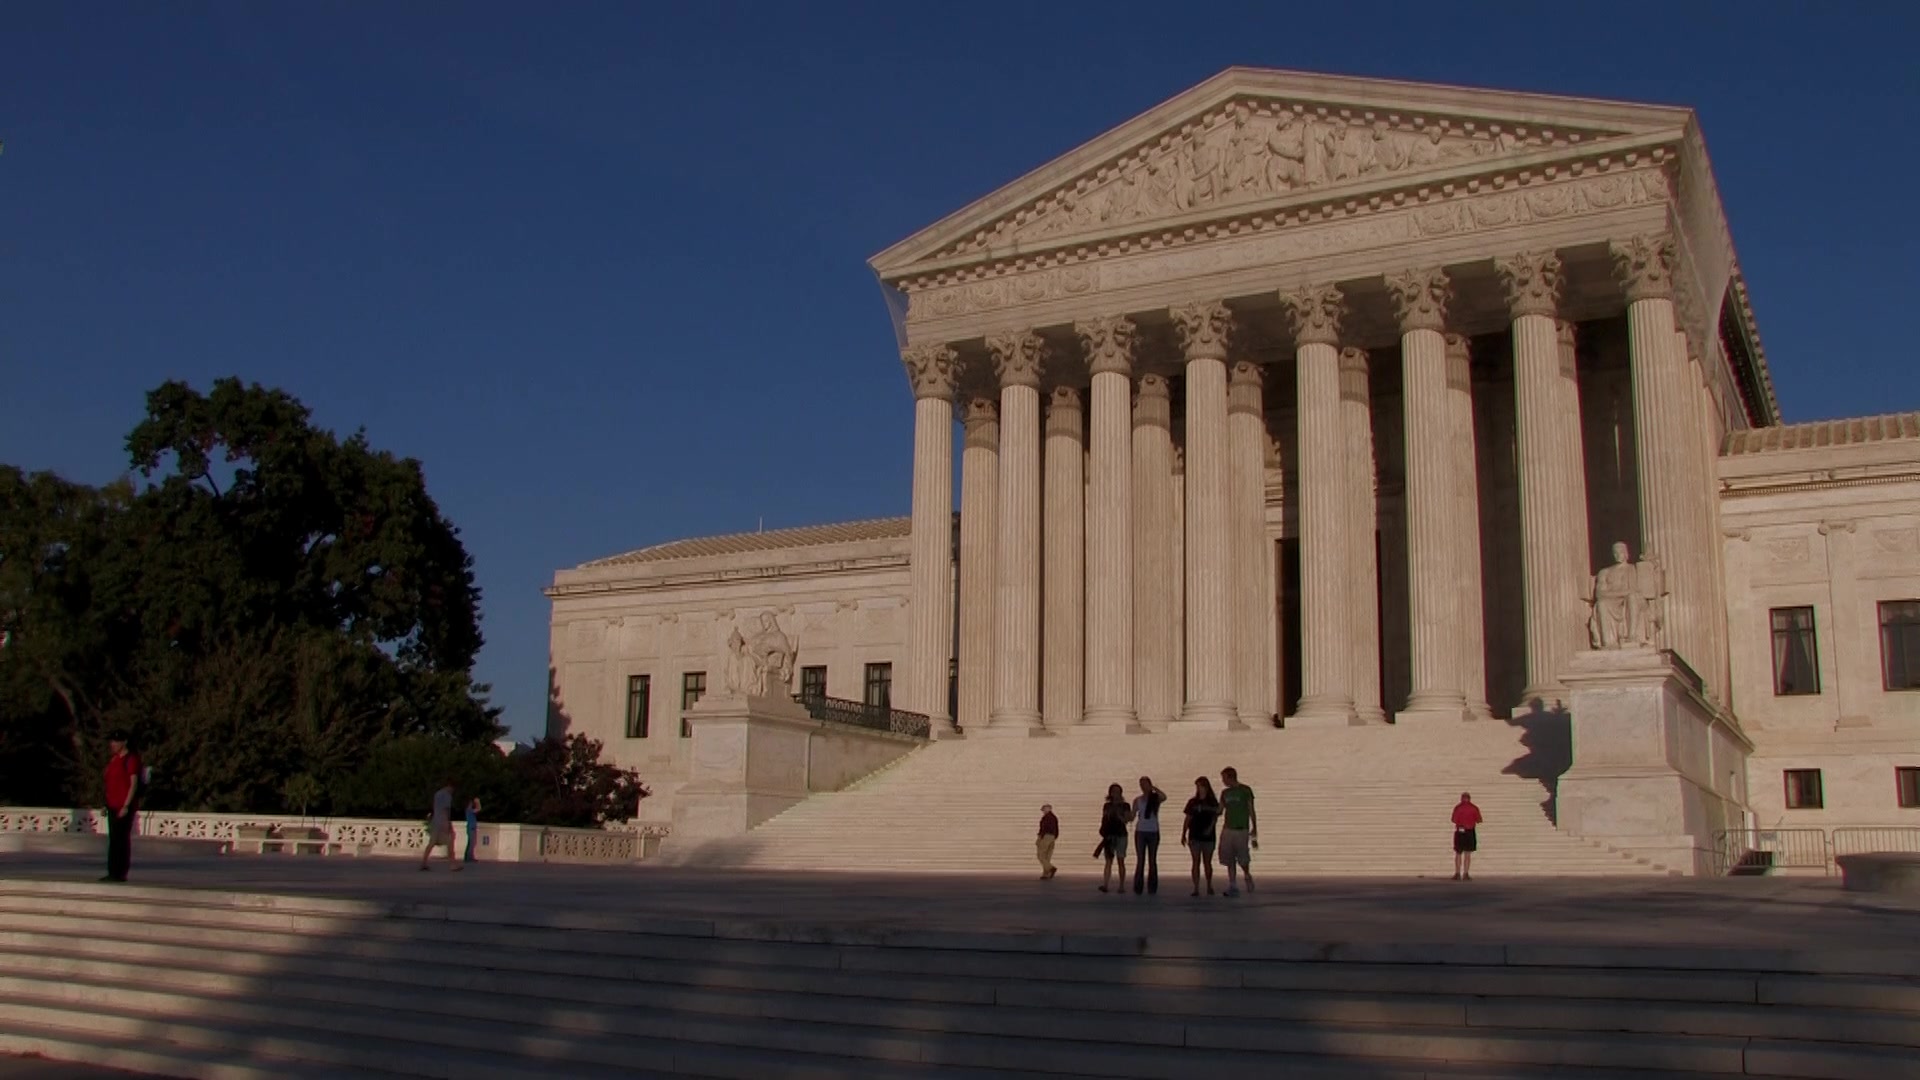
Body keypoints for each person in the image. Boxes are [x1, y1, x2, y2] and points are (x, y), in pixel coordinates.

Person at [100, 732, 142, 883]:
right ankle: (112, 871)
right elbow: (109, 784)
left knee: (121, 839)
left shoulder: (131, 759)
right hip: (112, 804)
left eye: (116, 741)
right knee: (114, 839)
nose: (112, 744)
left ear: (124, 742)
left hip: (123, 806)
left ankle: (120, 872)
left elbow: (133, 784)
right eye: (111, 741)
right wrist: (105, 804)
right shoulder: (114, 760)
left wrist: (126, 805)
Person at [1218, 766, 1258, 897]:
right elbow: (1220, 810)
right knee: (1229, 857)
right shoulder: (1225, 793)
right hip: (1228, 828)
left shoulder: (1245, 790)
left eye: (1224, 778)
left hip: (1241, 829)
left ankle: (1247, 874)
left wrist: (1254, 827)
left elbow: (1251, 809)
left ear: (1230, 777)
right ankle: (1232, 884)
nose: (1223, 781)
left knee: (1243, 857)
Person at [1181, 776, 1221, 897]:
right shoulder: (1192, 802)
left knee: (1207, 862)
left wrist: (1210, 828)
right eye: (1198, 786)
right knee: (1195, 861)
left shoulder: (1212, 802)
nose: (1199, 789)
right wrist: (1183, 833)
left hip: (1208, 835)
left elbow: (1215, 817)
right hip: (1194, 834)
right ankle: (1196, 887)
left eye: (1201, 786)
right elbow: (1188, 818)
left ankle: (1209, 885)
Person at [1094, 784, 1132, 894]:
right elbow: (1104, 819)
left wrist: (1120, 816)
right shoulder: (1107, 806)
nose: (1116, 793)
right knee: (1108, 861)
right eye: (1114, 791)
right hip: (1109, 835)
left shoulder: (1125, 805)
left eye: (1118, 791)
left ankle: (1121, 886)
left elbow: (1128, 819)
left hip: (1121, 835)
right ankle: (1105, 884)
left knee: (1121, 860)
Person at [1131, 776, 1167, 895]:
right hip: (1141, 831)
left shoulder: (1155, 799)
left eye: (1145, 784)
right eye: (1141, 784)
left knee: (1152, 860)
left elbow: (1164, 797)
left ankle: (1152, 887)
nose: (1143, 787)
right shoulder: (1138, 800)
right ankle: (1138, 886)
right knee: (1140, 859)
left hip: (1153, 831)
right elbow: (1132, 815)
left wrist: (1153, 788)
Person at [419, 779, 461, 872]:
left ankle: (424, 863)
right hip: (443, 822)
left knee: (431, 843)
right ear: (450, 787)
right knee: (450, 842)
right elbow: (446, 810)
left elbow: (435, 808)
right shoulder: (447, 795)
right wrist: (449, 824)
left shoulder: (437, 794)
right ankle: (452, 864)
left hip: (435, 821)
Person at [1452, 792, 1483, 881]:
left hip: (1460, 831)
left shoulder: (1458, 808)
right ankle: (1466, 874)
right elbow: (1479, 820)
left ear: (1462, 798)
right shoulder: (1474, 808)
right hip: (1470, 831)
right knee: (1467, 853)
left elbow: (1454, 819)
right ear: (1469, 798)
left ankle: (1457, 873)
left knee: (1458, 853)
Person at [1036, 804, 1059, 880]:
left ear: (1048, 809)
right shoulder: (1054, 817)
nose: (1043, 811)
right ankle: (1046, 874)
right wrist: (1055, 837)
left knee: (1040, 855)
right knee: (1047, 856)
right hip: (1052, 837)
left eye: (1044, 809)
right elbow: (1056, 829)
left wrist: (1040, 837)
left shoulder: (1047, 818)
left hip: (1046, 836)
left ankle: (1051, 868)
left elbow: (1043, 828)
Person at [463, 796, 482, 864]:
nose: (472, 804)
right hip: (471, 828)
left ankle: (467, 857)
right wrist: (478, 802)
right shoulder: (469, 810)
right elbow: (478, 809)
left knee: (470, 843)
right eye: (471, 803)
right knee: (472, 843)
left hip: (471, 828)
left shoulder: (468, 810)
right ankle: (469, 858)